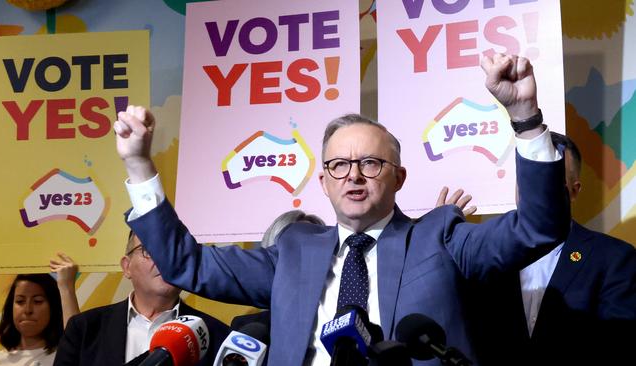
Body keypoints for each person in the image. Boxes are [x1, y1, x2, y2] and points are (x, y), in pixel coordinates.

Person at [113, 53, 570, 365]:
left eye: (370, 163)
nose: (353, 175)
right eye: (339, 165)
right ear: (324, 183)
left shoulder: (441, 236)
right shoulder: (291, 251)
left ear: (399, 177)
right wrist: (137, 163)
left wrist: (525, 118)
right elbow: (183, 263)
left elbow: (538, 228)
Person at [465, 132, 636, 366]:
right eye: (528, 181)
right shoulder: (481, 254)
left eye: (547, 182)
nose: (536, 193)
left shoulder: (616, 259)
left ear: (574, 191)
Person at [53, 231, 230, 366]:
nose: (165, 260)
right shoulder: (85, 328)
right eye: (150, 250)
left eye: (174, 251)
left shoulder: (217, 335)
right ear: (127, 267)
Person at [231, 209, 326, 332]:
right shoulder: (247, 328)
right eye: (296, 248)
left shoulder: (342, 317)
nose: (306, 256)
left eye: (314, 245)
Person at [0, 254, 79, 366]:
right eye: (20, 301)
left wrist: (66, 286)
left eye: (38, 301)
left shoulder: (64, 356)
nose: (28, 310)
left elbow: (77, 346)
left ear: (53, 307)